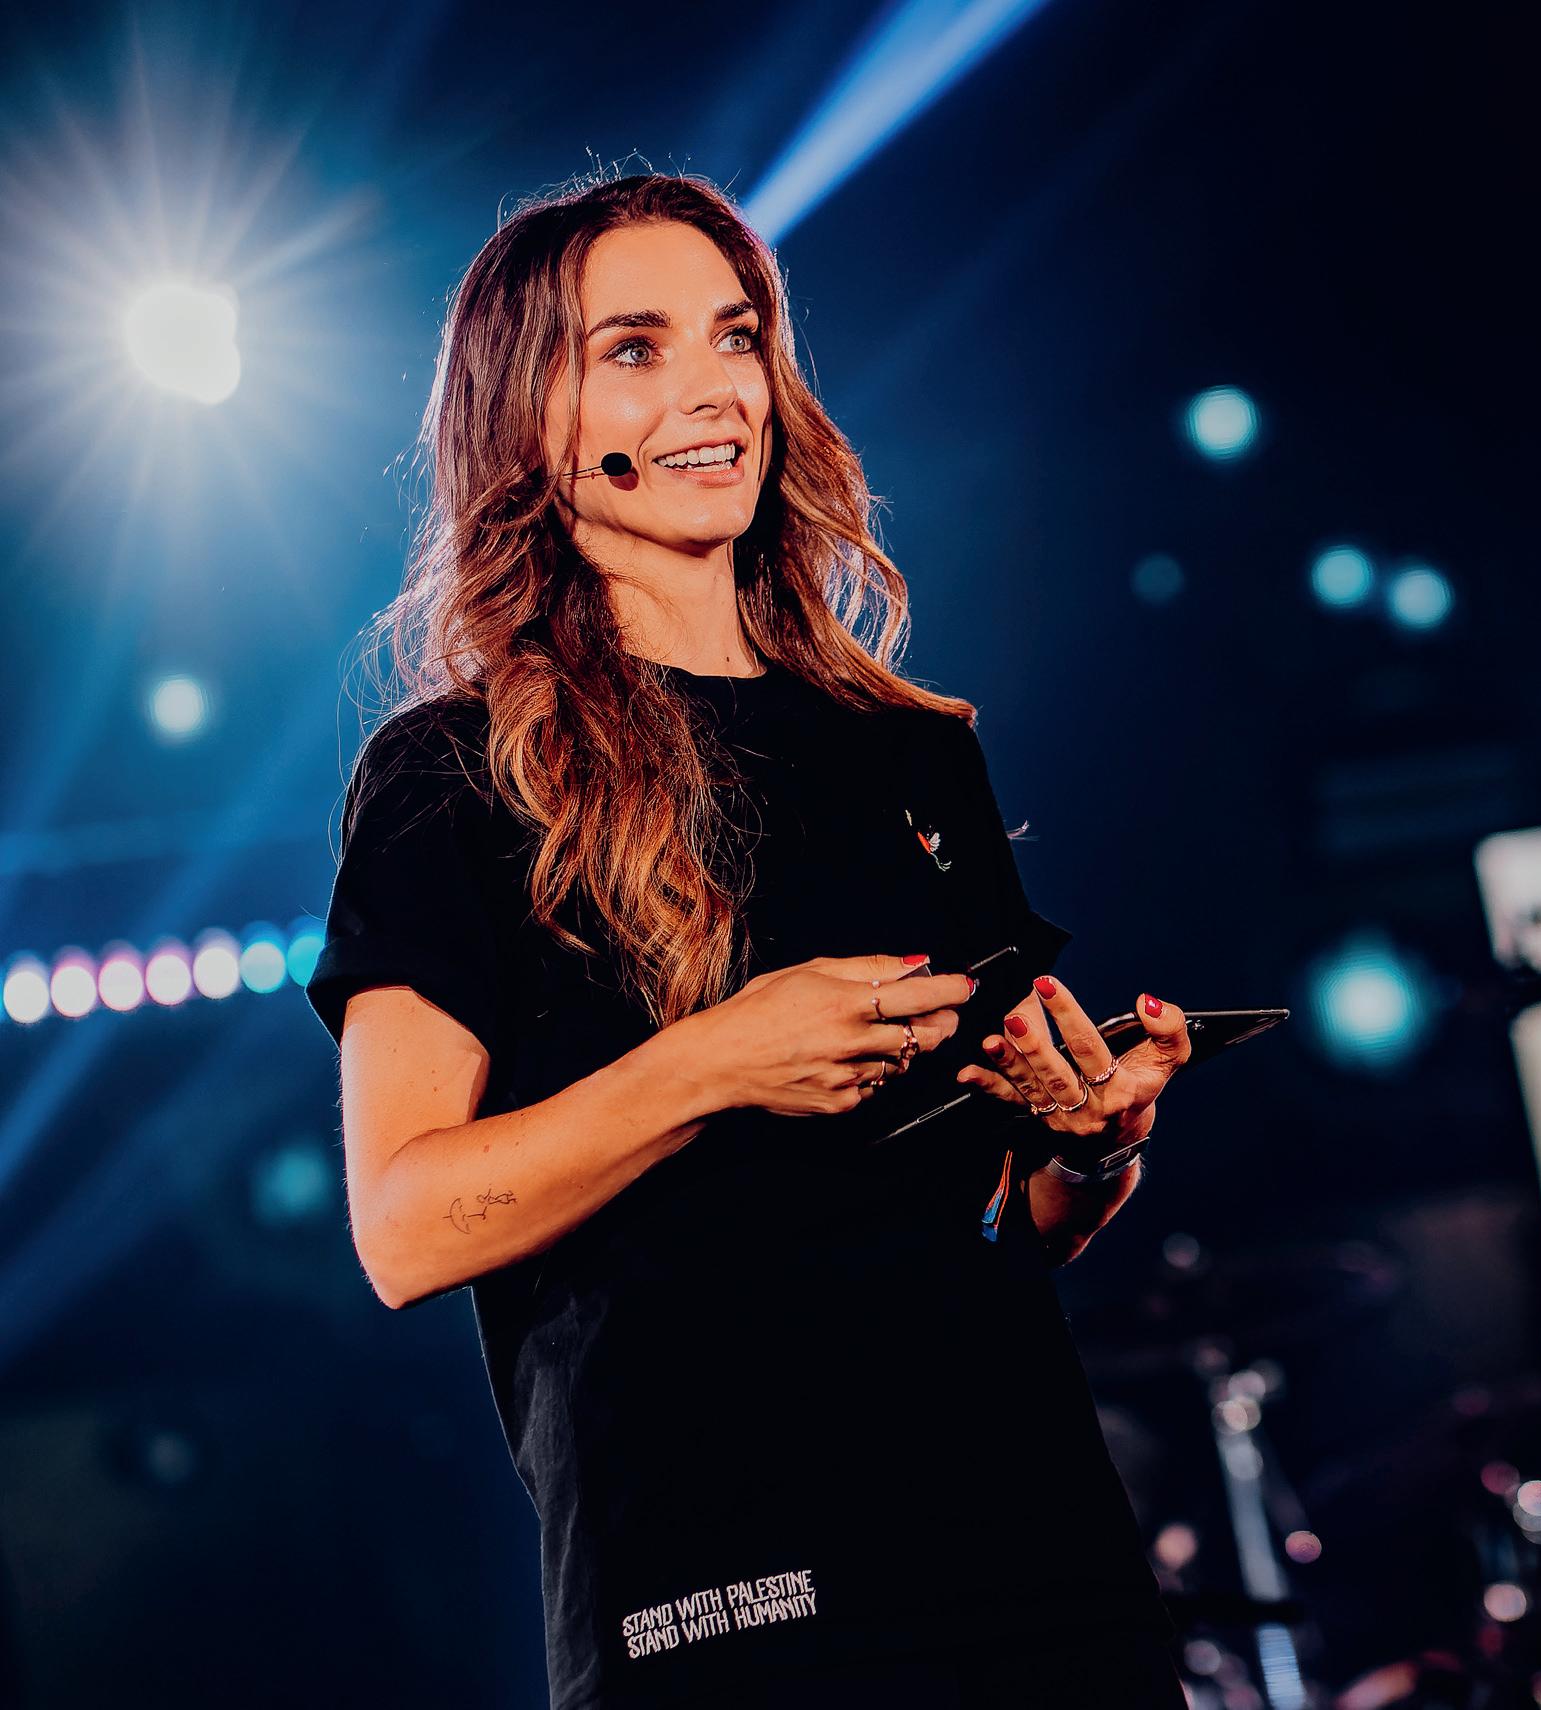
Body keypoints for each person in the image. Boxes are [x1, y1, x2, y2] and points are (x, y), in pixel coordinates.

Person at [305, 171, 1194, 1709]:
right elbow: (405, 1227)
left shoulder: (911, 754)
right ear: (528, 415)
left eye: (734, 335)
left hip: (1026, 1553)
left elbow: (1002, 1224)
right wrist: (712, 1062)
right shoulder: (455, 774)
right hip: (725, 1590)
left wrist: (1091, 1141)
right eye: (633, 348)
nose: (714, 385)